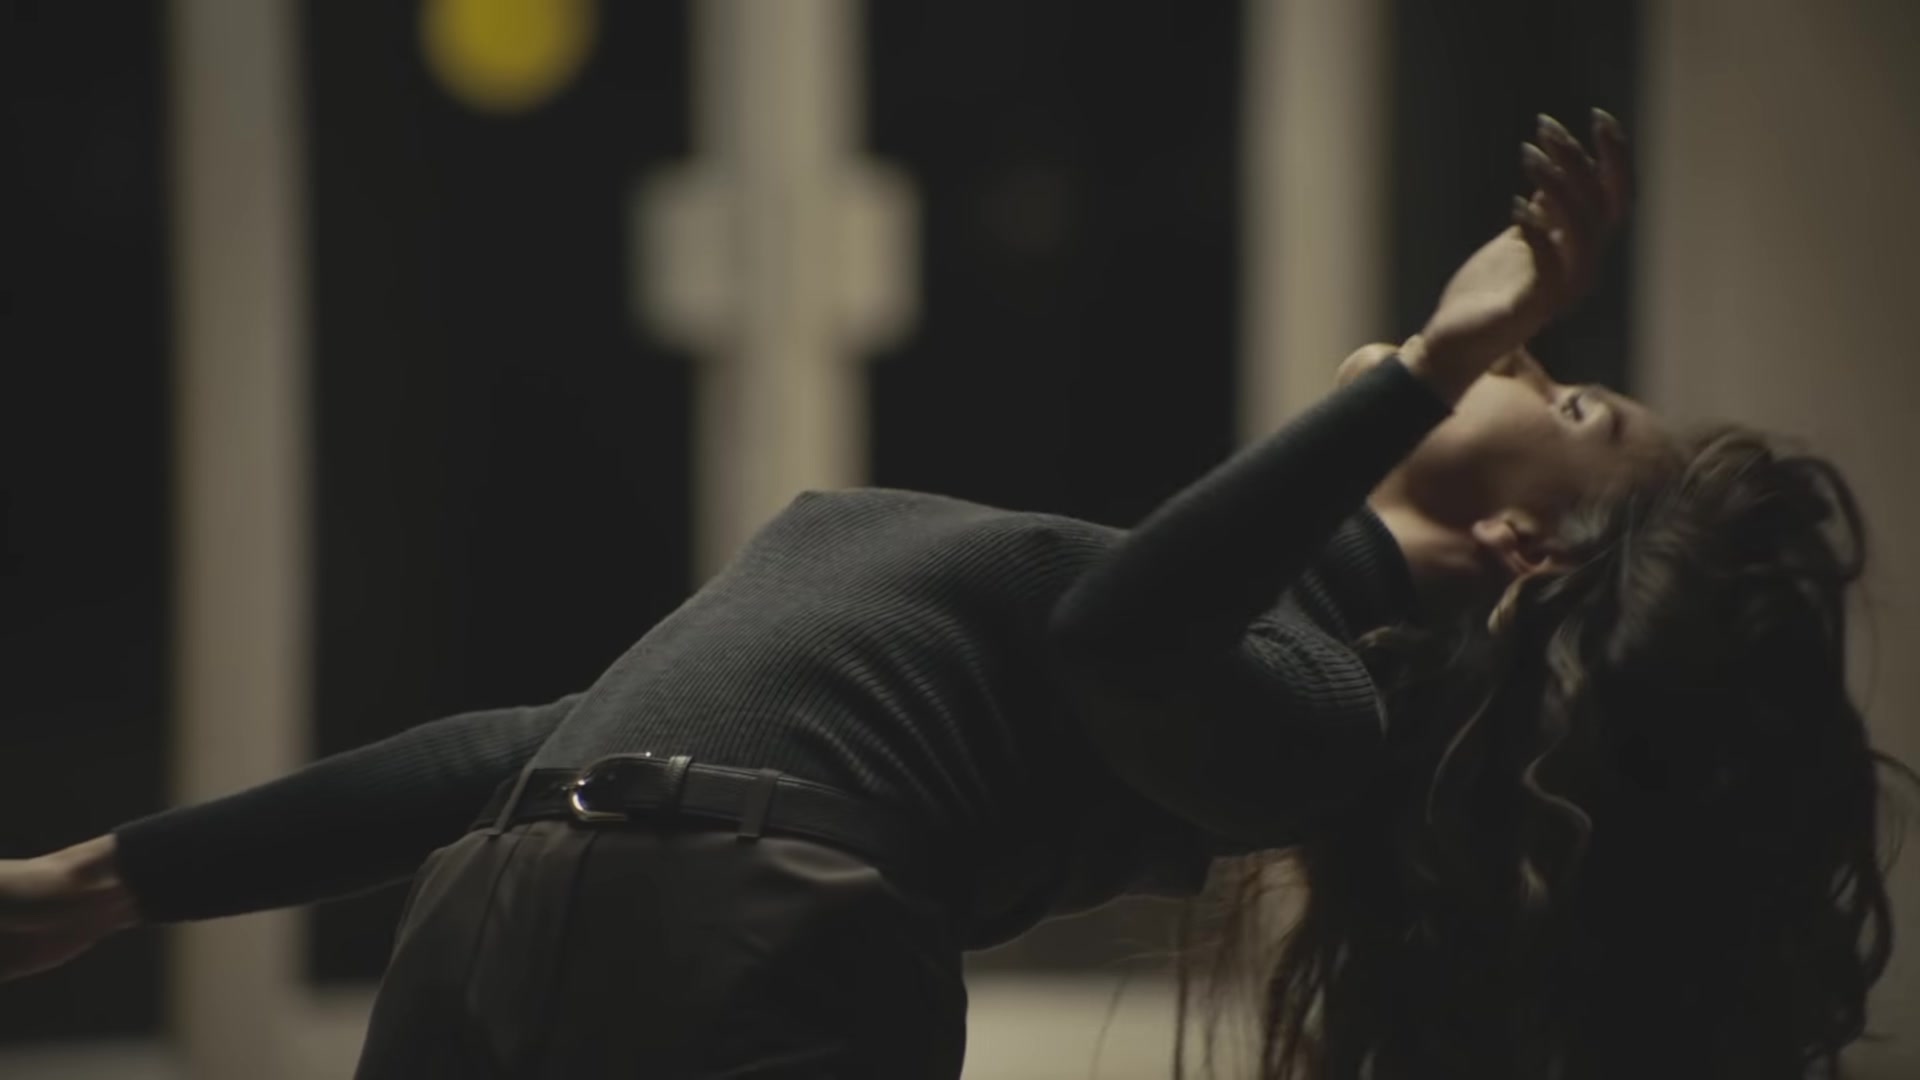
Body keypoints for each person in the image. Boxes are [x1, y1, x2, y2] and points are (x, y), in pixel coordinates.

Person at [1, 109, 1910, 1079]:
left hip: (740, 951)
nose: (1525, 363)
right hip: (500, 915)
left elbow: (1127, 632)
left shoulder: (1320, 710)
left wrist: (1423, 368)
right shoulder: (1187, 604)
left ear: (1526, 554)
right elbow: (541, 741)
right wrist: (123, 879)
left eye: (1567, 404)